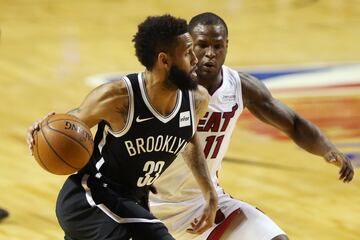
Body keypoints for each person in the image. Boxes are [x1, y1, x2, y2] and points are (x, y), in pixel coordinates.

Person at [149, 12, 354, 240]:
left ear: (227, 46)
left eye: (218, 46)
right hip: (151, 205)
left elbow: (293, 124)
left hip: (206, 202)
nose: (210, 54)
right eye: (202, 45)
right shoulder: (165, 88)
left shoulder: (240, 87)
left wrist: (327, 149)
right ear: (187, 46)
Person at [27, 14, 218, 240]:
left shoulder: (196, 100)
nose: (195, 59)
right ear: (164, 60)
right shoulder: (117, 98)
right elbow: (73, 122)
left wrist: (210, 194)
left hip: (133, 201)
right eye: (187, 53)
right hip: (91, 198)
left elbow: (190, 139)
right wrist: (42, 128)